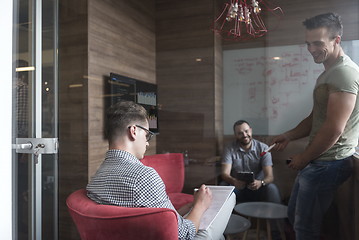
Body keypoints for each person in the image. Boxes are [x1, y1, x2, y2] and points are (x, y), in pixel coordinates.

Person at [87, 100, 235, 240]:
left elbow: (149, 218)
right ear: (133, 131)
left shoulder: (96, 177)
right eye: (147, 135)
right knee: (230, 198)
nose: (147, 143)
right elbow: (184, 234)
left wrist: (187, 208)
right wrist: (199, 205)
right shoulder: (144, 177)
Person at [271, 12, 359, 240]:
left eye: (318, 43)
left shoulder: (343, 74)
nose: (311, 49)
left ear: (336, 40)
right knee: (295, 217)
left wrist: (304, 157)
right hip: (318, 161)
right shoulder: (328, 74)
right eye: (308, 43)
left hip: (328, 163)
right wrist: (289, 135)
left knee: (305, 229)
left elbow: (333, 128)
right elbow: (315, 118)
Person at [221, 120, 281, 204]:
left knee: (272, 188)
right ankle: (223, 216)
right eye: (240, 133)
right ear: (235, 135)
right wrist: (234, 181)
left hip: (258, 187)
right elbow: (224, 174)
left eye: (246, 131)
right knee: (223, 186)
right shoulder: (229, 149)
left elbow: (270, 177)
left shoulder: (263, 148)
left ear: (251, 130)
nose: (245, 135)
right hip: (237, 187)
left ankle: (277, 217)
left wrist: (261, 183)